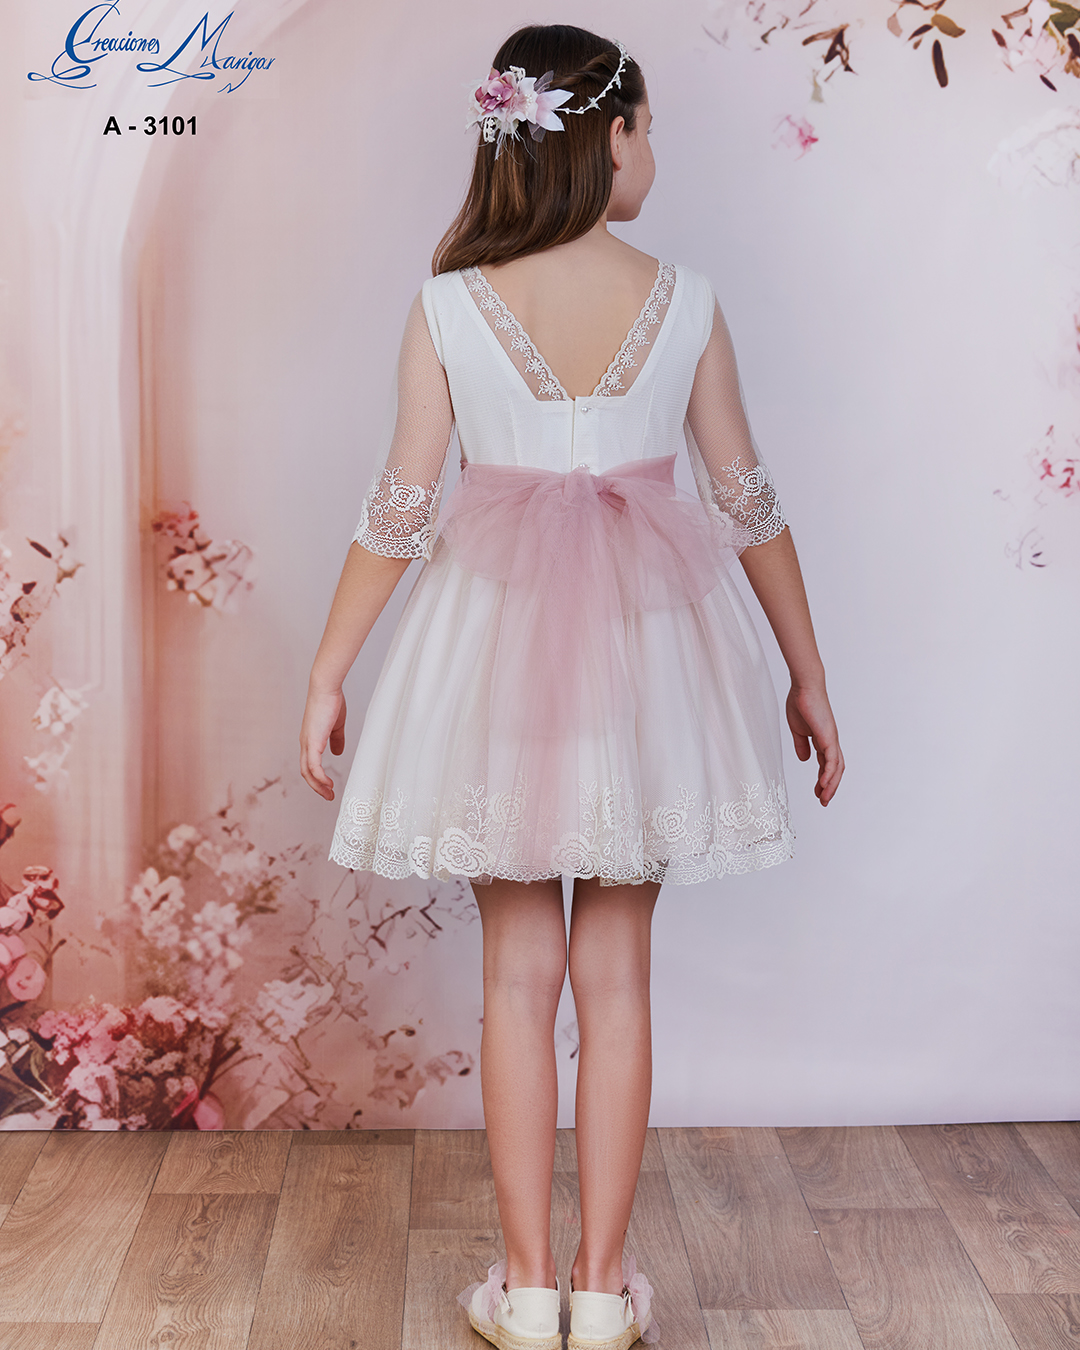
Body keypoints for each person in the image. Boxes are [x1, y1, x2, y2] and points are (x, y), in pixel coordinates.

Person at [300, 23, 843, 1350]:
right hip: (650, 654)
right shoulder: (686, 299)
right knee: (619, 975)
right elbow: (748, 501)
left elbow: (400, 508)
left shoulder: (449, 303)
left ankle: (527, 1282)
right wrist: (806, 672)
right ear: (610, 134)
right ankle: (603, 1291)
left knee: (515, 976)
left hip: (488, 652)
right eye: (649, 129)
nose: (655, 154)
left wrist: (331, 668)